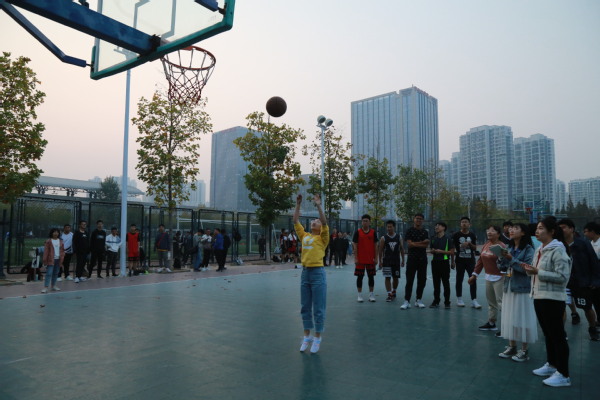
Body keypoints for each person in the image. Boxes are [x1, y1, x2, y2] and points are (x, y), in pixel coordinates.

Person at [525, 217, 572, 387]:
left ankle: (564, 374)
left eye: (541, 228)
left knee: (558, 336)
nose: (537, 231)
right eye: (537, 228)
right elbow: (536, 271)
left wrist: (538, 272)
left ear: (552, 231)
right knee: (548, 334)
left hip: (552, 299)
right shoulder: (540, 249)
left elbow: (562, 277)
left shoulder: (558, 250)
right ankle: (552, 365)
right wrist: (530, 271)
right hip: (539, 296)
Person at [497, 223, 537, 362]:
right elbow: (502, 267)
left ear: (523, 233)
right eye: (511, 228)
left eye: (515, 228)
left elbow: (527, 269)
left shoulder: (529, 249)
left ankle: (524, 350)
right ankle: (512, 346)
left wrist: (510, 259)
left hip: (522, 288)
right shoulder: (508, 248)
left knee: (523, 319)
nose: (511, 230)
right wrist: (500, 258)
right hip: (509, 286)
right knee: (510, 317)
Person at [294, 194, 329, 354]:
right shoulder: (305, 236)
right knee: (305, 306)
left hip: (317, 274)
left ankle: (317, 337)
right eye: (314, 220)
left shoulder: (323, 238)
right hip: (305, 273)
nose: (315, 221)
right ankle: (306, 335)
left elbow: (325, 222)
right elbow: (296, 221)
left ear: (320, 228)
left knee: (319, 308)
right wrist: (298, 204)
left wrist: (319, 205)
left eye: (317, 221)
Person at [558, 218, 600, 341]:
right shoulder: (558, 245)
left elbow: (594, 262)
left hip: (581, 282)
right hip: (564, 282)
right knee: (561, 307)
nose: (561, 230)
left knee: (587, 307)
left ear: (572, 229)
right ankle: (561, 332)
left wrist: (595, 280)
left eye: (564, 227)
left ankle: (592, 328)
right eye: (559, 228)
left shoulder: (583, 243)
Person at [469, 225, 507, 332]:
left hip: (500, 277)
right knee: (491, 302)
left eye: (492, 231)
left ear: (498, 234)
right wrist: (474, 275)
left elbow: (505, 262)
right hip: (489, 277)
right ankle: (492, 323)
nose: (489, 232)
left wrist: (501, 259)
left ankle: (506, 327)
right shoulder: (486, 245)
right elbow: (480, 261)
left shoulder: (501, 246)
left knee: (501, 302)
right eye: (488, 230)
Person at [401, 213, 429, 309]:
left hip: (422, 259)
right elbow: (409, 245)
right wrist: (422, 243)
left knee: (422, 280)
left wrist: (415, 243)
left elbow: (426, 245)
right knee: (410, 280)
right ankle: (407, 301)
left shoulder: (425, 232)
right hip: (412, 259)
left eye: (420, 219)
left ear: (423, 220)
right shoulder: (409, 230)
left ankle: (418, 300)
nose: (418, 220)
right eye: (417, 218)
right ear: (414, 219)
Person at [452, 217, 481, 308]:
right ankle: (459, 299)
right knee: (459, 279)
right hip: (460, 260)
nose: (464, 223)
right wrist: (461, 246)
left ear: (469, 224)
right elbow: (453, 248)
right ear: (460, 224)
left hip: (470, 261)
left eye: (466, 222)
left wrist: (469, 244)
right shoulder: (456, 235)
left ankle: (474, 300)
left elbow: (475, 248)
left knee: (472, 279)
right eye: (462, 222)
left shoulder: (472, 235)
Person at [353, 214, 378, 303]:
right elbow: (355, 246)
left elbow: (376, 246)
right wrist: (356, 258)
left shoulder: (373, 232)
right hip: (360, 260)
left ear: (369, 222)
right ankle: (359, 295)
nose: (365, 222)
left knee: (371, 277)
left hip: (370, 259)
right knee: (360, 277)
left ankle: (371, 294)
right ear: (361, 222)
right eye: (363, 221)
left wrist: (376, 258)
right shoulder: (358, 232)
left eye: (366, 221)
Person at [378, 220, 405, 302]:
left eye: (390, 227)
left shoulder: (399, 237)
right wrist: (380, 261)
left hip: (396, 261)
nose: (389, 228)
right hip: (387, 261)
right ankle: (389, 294)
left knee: (395, 278)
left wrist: (403, 260)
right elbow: (380, 250)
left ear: (394, 227)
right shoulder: (383, 238)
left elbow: (402, 249)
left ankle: (394, 291)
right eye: (388, 227)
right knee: (387, 277)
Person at [429, 221, 453, 308]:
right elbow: (431, 249)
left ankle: (447, 302)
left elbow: (452, 252)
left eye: (438, 226)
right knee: (436, 283)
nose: (436, 227)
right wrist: (432, 251)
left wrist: (441, 251)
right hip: (435, 263)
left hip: (444, 263)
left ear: (443, 228)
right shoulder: (433, 238)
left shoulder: (448, 239)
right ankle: (436, 301)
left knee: (445, 283)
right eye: (436, 226)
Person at [42, 228, 65, 293]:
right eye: (54, 232)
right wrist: (45, 260)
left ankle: (53, 286)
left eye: (57, 232)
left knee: (56, 273)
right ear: (51, 233)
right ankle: (46, 287)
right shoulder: (48, 241)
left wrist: (62, 257)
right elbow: (46, 251)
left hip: (58, 259)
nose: (56, 233)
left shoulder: (60, 241)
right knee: (49, 273)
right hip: (51, 259)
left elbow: (62, 250)